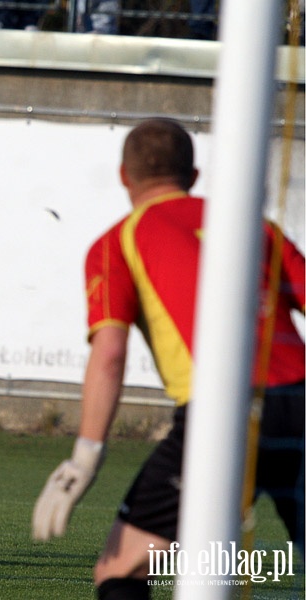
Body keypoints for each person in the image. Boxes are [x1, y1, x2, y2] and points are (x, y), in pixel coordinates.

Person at [31, 118, 305, 599]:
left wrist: (86, 455)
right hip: (300, 405)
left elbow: (110, 353)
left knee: (121, 571)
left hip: (221, 417)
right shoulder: (254, 227)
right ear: (194, 176)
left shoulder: (117, 243)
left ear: (123, 177)